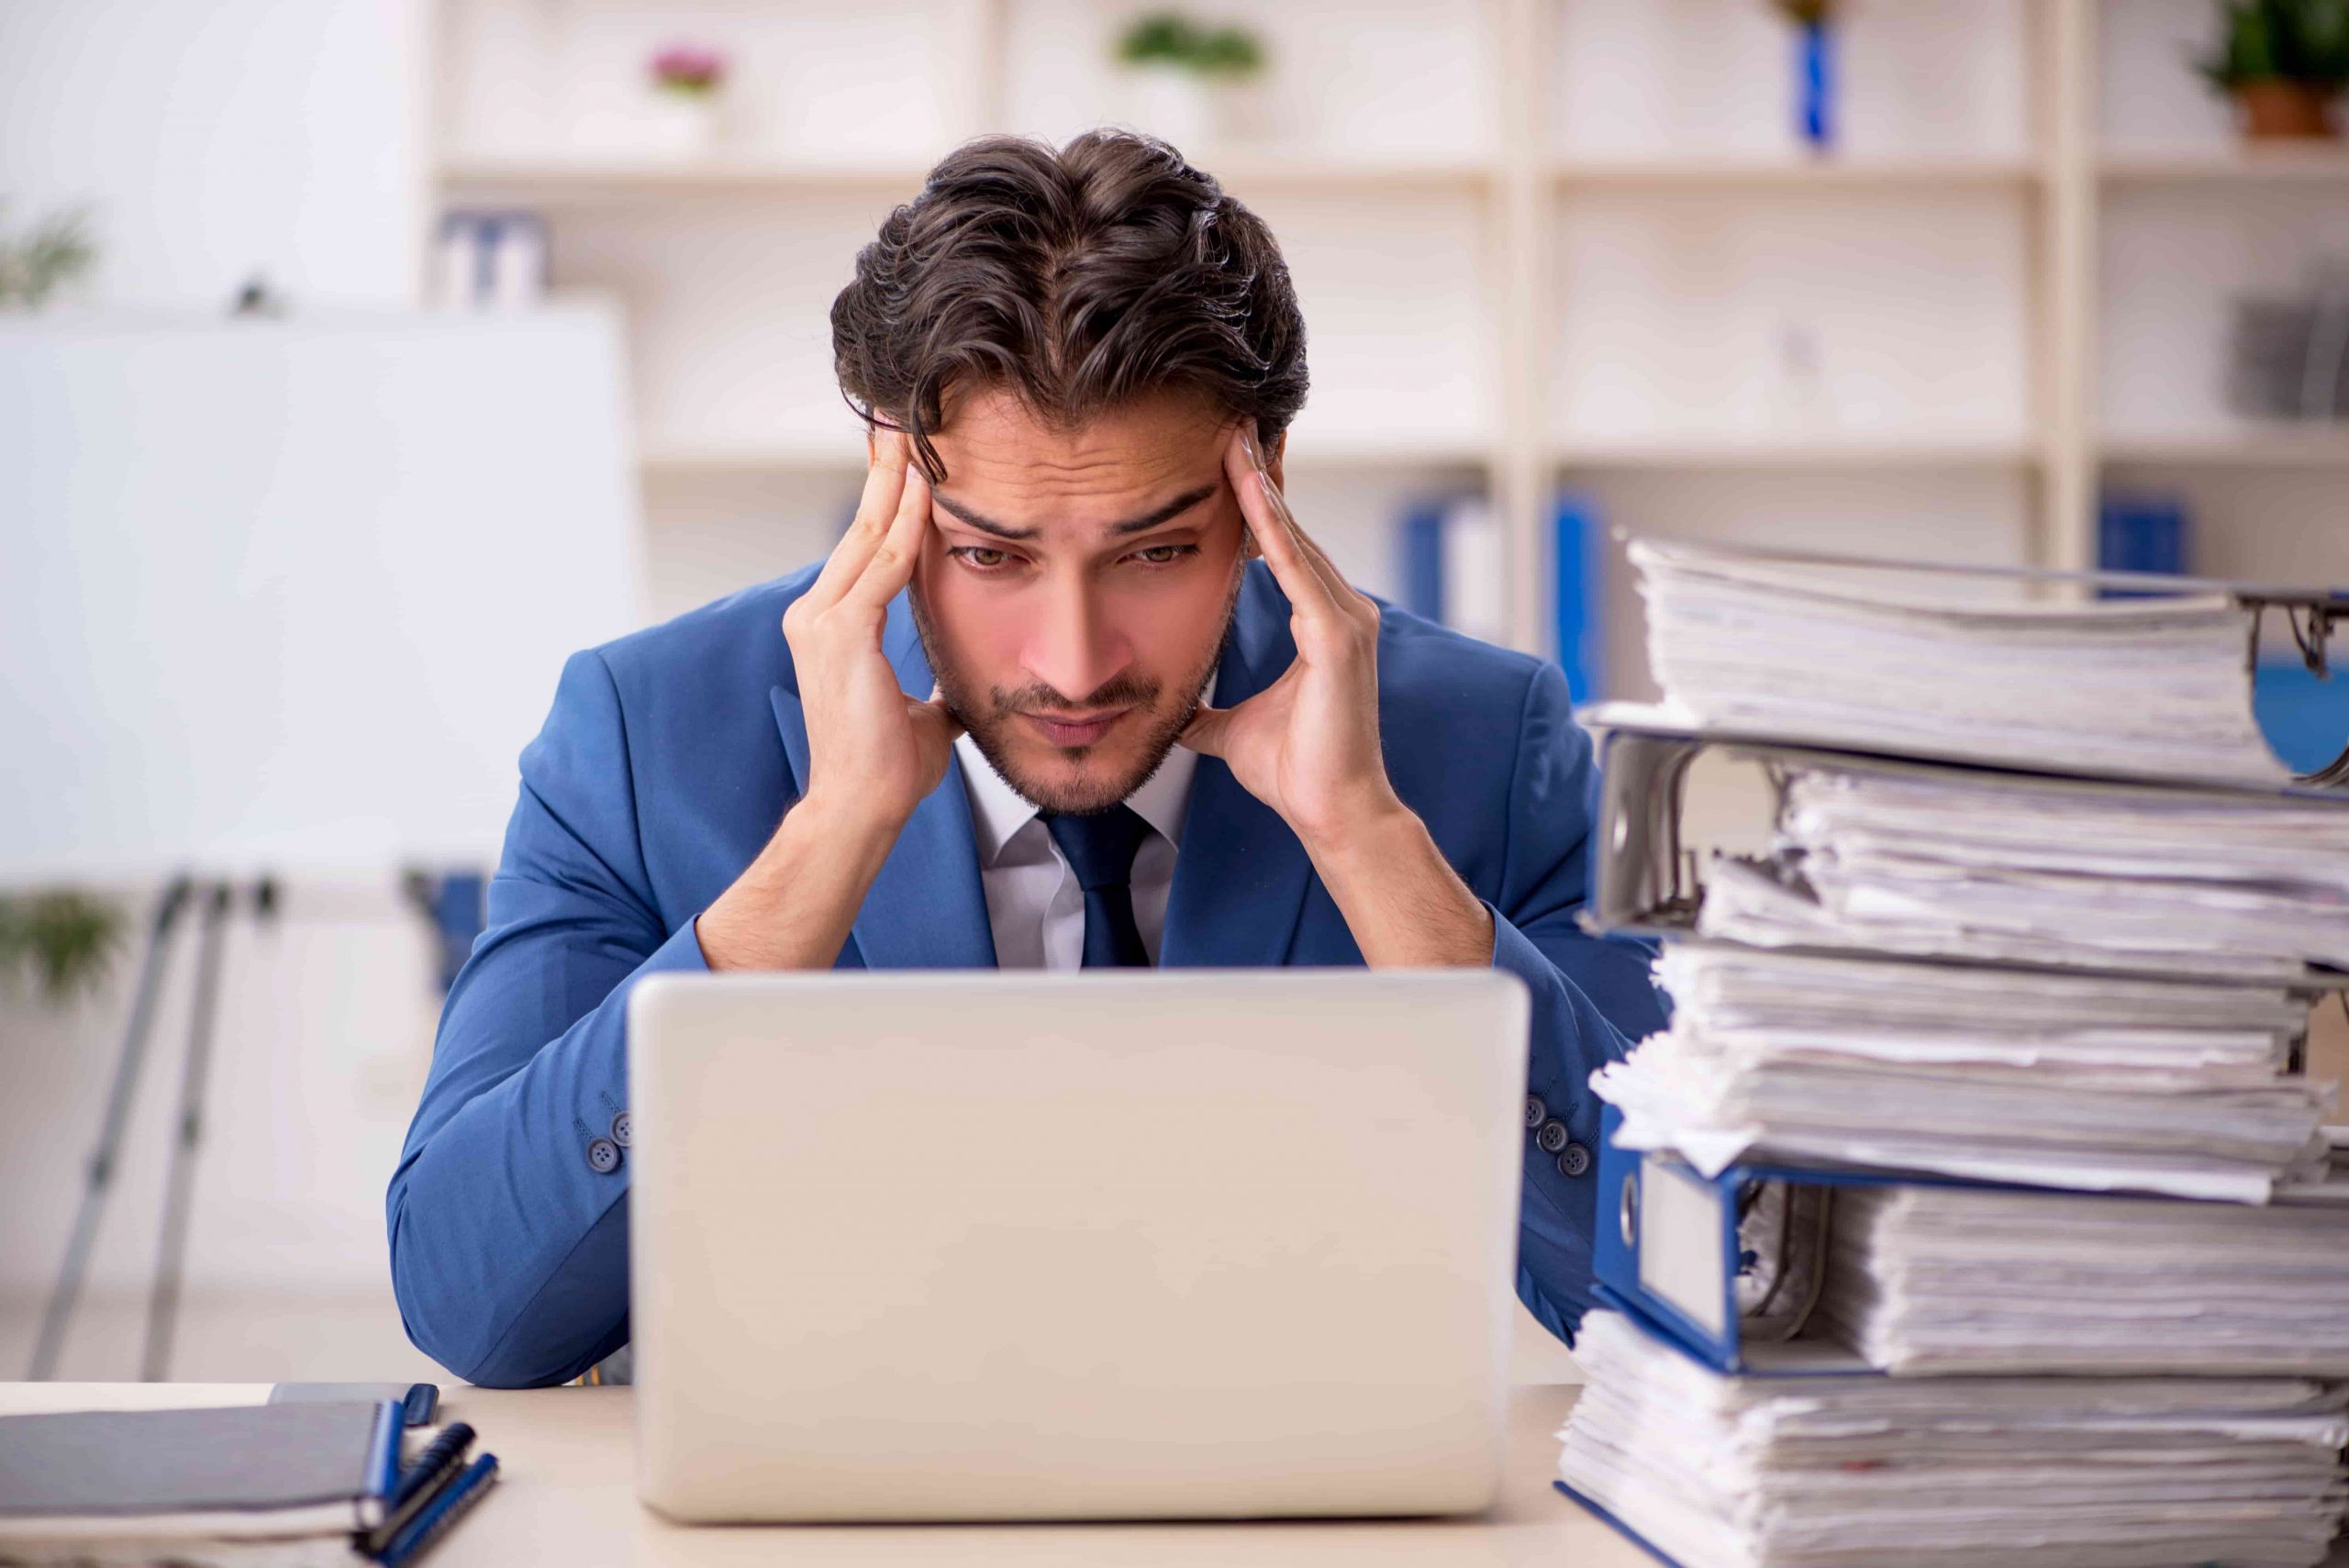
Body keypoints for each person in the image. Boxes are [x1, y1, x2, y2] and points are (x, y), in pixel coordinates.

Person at [386, 130, 1666, 1389]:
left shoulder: (1482, 744)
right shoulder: (640, 734)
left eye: (1156, 552)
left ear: (1261, 483)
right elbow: (471, 1305)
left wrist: (1377, 853)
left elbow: (1684, 1304)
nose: (1071, 660)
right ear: (890, 488)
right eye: (993, 555)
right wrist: (821, 846)